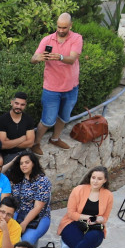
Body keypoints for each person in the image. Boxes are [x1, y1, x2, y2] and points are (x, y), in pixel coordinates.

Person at [55, 167, 114, 248]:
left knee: (88, 241)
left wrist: (97, 219)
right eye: (93, 178)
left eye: (99, 179)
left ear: (105, 180)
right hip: (73, 223)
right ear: (90, 177)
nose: (95, 181)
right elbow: (71, 213)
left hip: (94, 227)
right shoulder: (78, 190)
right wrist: (87, 217)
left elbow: (106, 218)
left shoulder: (108, 195)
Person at [32, 13, 83, 152]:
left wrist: (59, 57)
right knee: (48, 120)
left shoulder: (77, 38)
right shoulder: (47, 39)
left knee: (64, 117)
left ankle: (55, 138)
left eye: (64, 27)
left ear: (70, 25)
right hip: (51, 88)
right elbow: (33, 58)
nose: (61, 30)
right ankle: (36, 143)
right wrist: (38, 58)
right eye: (59, 27)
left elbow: (72, 59)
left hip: (71, 88)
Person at [6, 151, 52, 245]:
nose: (24, 165)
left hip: (38, 217)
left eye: (27, 162)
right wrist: (14, 161)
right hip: (18, 213)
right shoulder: (17, 178)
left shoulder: (42, 181)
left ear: (33, 163)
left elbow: (38, 207)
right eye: (21, 163)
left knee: (25, 242)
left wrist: (24, 223)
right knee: (6, 237)